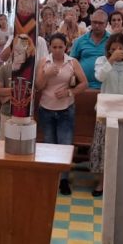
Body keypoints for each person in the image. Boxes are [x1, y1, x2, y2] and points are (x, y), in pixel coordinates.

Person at [35, 33, 88, 195]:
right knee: (50, 144)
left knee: (65, 145)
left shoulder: (72, 62)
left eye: (61, 47)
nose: (57, 50)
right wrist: (47, 74)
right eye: (54, 47)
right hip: (47, 109)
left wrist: (70, 92)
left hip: (66, 110)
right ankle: (52, 177)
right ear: (50, 47)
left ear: (66, 47)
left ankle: (64, 179)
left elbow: (84, 83)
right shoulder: (44, 62)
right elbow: (38, 86)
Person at [91, 35, 123, 195]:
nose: (116, 52)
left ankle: (122, 183)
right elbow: (99, 77)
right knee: (103, 147)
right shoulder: (102, 61)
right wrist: (111, 60)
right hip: (105, 111)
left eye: (119, 48)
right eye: (112, 49)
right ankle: (101, 183)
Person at [70, 10, 110, 89]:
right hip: (83, 87)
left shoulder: (112, 40)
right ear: (91, 22)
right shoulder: (80, 41)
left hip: (107, 87)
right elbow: (71, 62)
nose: (97, 25)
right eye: (94, 22)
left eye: (100, 23)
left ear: (106, 24)